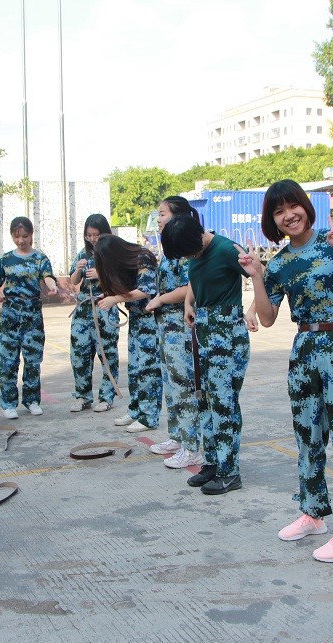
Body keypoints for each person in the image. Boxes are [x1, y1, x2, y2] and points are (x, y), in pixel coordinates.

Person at [238, 179, 333, 563]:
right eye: (278, 211)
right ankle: (313, 512)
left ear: (305, 206)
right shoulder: (282, 262)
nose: (289, 215)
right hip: (305, 348)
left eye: (293, 206)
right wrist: (256, 274)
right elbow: (267, 319)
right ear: (272, 220)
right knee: (308, 434)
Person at [160, 213, 250, 495]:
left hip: (228, 336)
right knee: (206, 401)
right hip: (204, 333)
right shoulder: (193, 252)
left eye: (189, 252)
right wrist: (189, 302)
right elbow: (195, 282)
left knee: (224, 404)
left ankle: (229, 470)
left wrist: (252, 312)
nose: (188, 257)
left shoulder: (225, 249)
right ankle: (213, 462)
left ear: (199, 236)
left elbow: (264, 280)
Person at [144, 196, 207, 467]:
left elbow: (190, 286)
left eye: (162, 214)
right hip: (165, 327)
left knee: (183, 386)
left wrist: (160, 299)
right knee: (171, 385)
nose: (158, 220)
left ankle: (192, 446)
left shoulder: (185, 248)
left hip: (180, 326)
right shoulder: (168, 249)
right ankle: (177, 437)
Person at [0, 216, 59, 419]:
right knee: (8, 361)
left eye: (25, 236)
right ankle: (8, 402)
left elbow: (47, 276)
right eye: (16, 236)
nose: (21, 240)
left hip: (33, 315)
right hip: (10, 314)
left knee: (33, 360)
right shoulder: (5, 259)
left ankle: (32, 400)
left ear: (32, 235)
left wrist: (51, 285)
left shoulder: (40, 259)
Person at [94, 234, 162, 433]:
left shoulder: (143, 258)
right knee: (134, 369)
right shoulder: (127, 263)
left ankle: (149, 417)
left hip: (150, 320)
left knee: (148, 369)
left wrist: (114, 299)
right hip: (136, 319)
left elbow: (146, 290)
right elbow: (127, 288)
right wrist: (107, 295)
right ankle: (136, 410)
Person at [67, 214, 120, 413]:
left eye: (95, 235)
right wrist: (78, 271)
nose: (92, 239)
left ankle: (107, 396)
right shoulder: (83, 253)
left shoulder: (112, 253)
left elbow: (121, 279)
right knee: (79, 353)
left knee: (107, 353)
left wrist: (101, 274)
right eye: (88, 235)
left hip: (105, 306)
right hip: (83, 308)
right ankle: (82, 395)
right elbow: (73, 281)